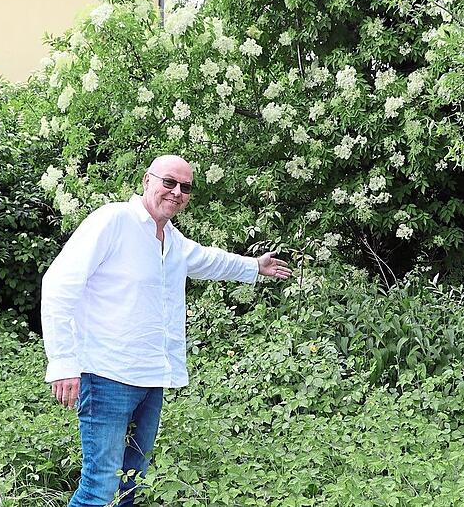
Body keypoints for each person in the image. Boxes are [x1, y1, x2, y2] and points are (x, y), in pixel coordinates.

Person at [41, 155, 291, 506]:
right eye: (169, 182)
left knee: (132, 481)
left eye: (185, 187)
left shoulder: (172, 240)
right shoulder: (113, 221)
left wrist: (254, 266)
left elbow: (209, 260)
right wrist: (63, 362)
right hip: (106, 375)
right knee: (100, 486)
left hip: (151, 377)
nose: (176, 192)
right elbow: (58, 285)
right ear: (147, 181)